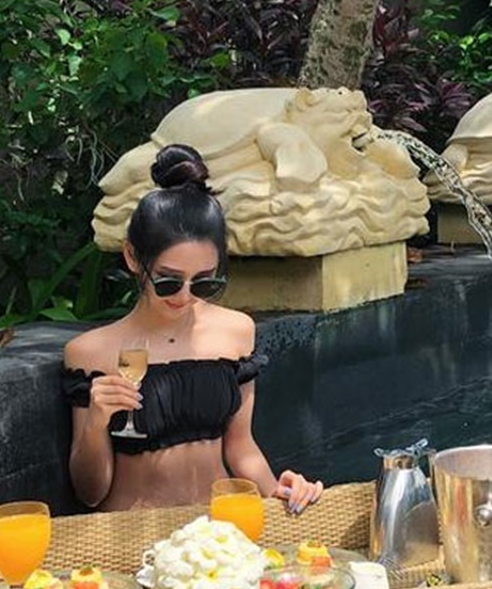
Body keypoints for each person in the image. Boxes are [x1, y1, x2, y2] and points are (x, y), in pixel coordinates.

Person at [62, 143, 324, 514]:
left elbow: (241, 448)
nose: (185, 296)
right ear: (133, 257)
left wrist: (280, 493)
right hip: (132, 532)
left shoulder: (235, 332)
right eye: (168, 281)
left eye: (203, 282)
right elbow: (90, 493)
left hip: (219, 528)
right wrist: (95, 422)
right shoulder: (91, 353)